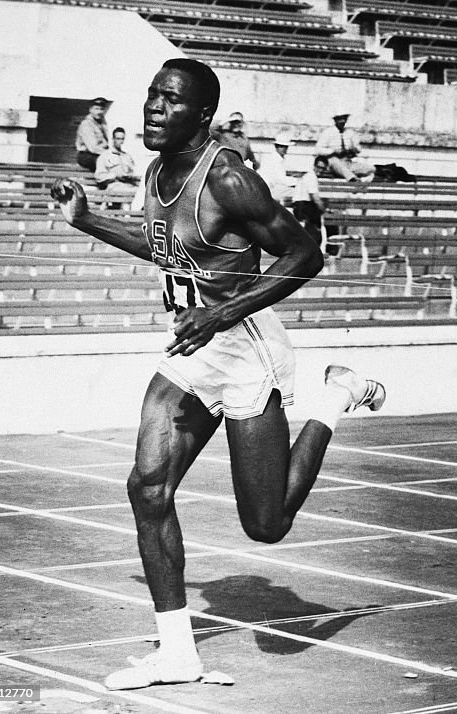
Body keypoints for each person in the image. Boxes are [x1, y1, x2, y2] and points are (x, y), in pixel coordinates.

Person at [50, 58, 386, 690]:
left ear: (202, 116)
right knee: (147, 487)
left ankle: (333, 397)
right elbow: (166, 248)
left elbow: (305, 253)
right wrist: (87, 219)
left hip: (244, 346)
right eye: (150, 96)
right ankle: (178, 653)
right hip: (193, 344)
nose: (153, 108)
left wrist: (224, 311)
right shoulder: (155, 170)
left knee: (266, 525)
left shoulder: (228, 177)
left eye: (170, 101)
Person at [314, 111, 374, 182]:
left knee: (371, 168)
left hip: (346, 162)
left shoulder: (350, 133)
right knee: (334, 160)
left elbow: (359, 149)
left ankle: (345, 174)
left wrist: (353, 148)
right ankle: (352, 179)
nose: (342, 121)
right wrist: (333, 151)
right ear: (335, 120)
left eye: (344, 119)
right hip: (332, 163)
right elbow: (318, 149)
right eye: (340, 119)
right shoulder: (327, 132)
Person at [94, 127, 141, 202]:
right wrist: (115, 175)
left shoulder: (127, 156)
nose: (121, 141)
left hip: (128, 185)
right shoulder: (105, 156)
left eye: (122, 139)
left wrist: (131, 176)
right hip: (114, 186)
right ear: (113, 139)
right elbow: (98, 176)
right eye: (118, 139)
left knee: (142, 191)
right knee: (137, 193)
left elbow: (133, 172)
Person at [257, 129, 298, 205]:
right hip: (269, 190)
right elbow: (281, 179)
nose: (284, 149)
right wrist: (298, 181)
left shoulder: (278, 158)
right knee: (299, 192)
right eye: (282, 146)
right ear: (276, 147)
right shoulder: (274, 159)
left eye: (286, 147)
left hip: (272, 188)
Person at [292, 157, 328, 238]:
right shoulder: (311, 177)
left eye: (323, 168)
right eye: (319, 167)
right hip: (303, 207)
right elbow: (316, 199)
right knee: (325, 223)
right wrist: (324, 211)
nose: (320, 170)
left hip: (301, 206)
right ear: (314, 166)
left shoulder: (309, 175)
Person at [76, 97, 112, 171]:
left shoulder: (102, 124)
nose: (99, 112)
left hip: (99, 154)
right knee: (111, 163)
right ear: (90, 110)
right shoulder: (86, 124)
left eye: (101, 109)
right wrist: (109, 154)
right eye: (96, 109)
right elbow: (93, 148)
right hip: (87, 155)